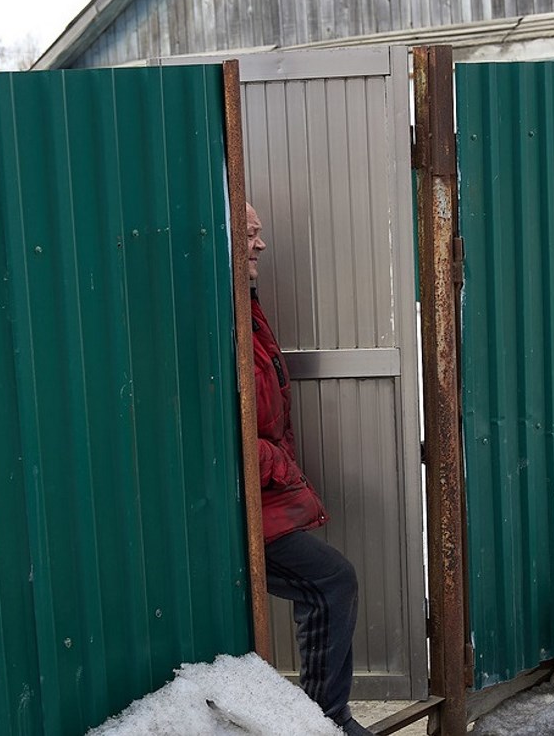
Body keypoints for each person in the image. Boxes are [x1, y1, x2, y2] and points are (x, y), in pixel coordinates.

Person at [246, 202, 374, 736]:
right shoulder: (215, 312)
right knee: (330, 580)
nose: (261, 244)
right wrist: (273, 461)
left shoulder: (244, 308)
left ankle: (324, 717)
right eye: (250, 233)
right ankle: (327, 720)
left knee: (330, 580)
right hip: (241, 496)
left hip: (262, 493)